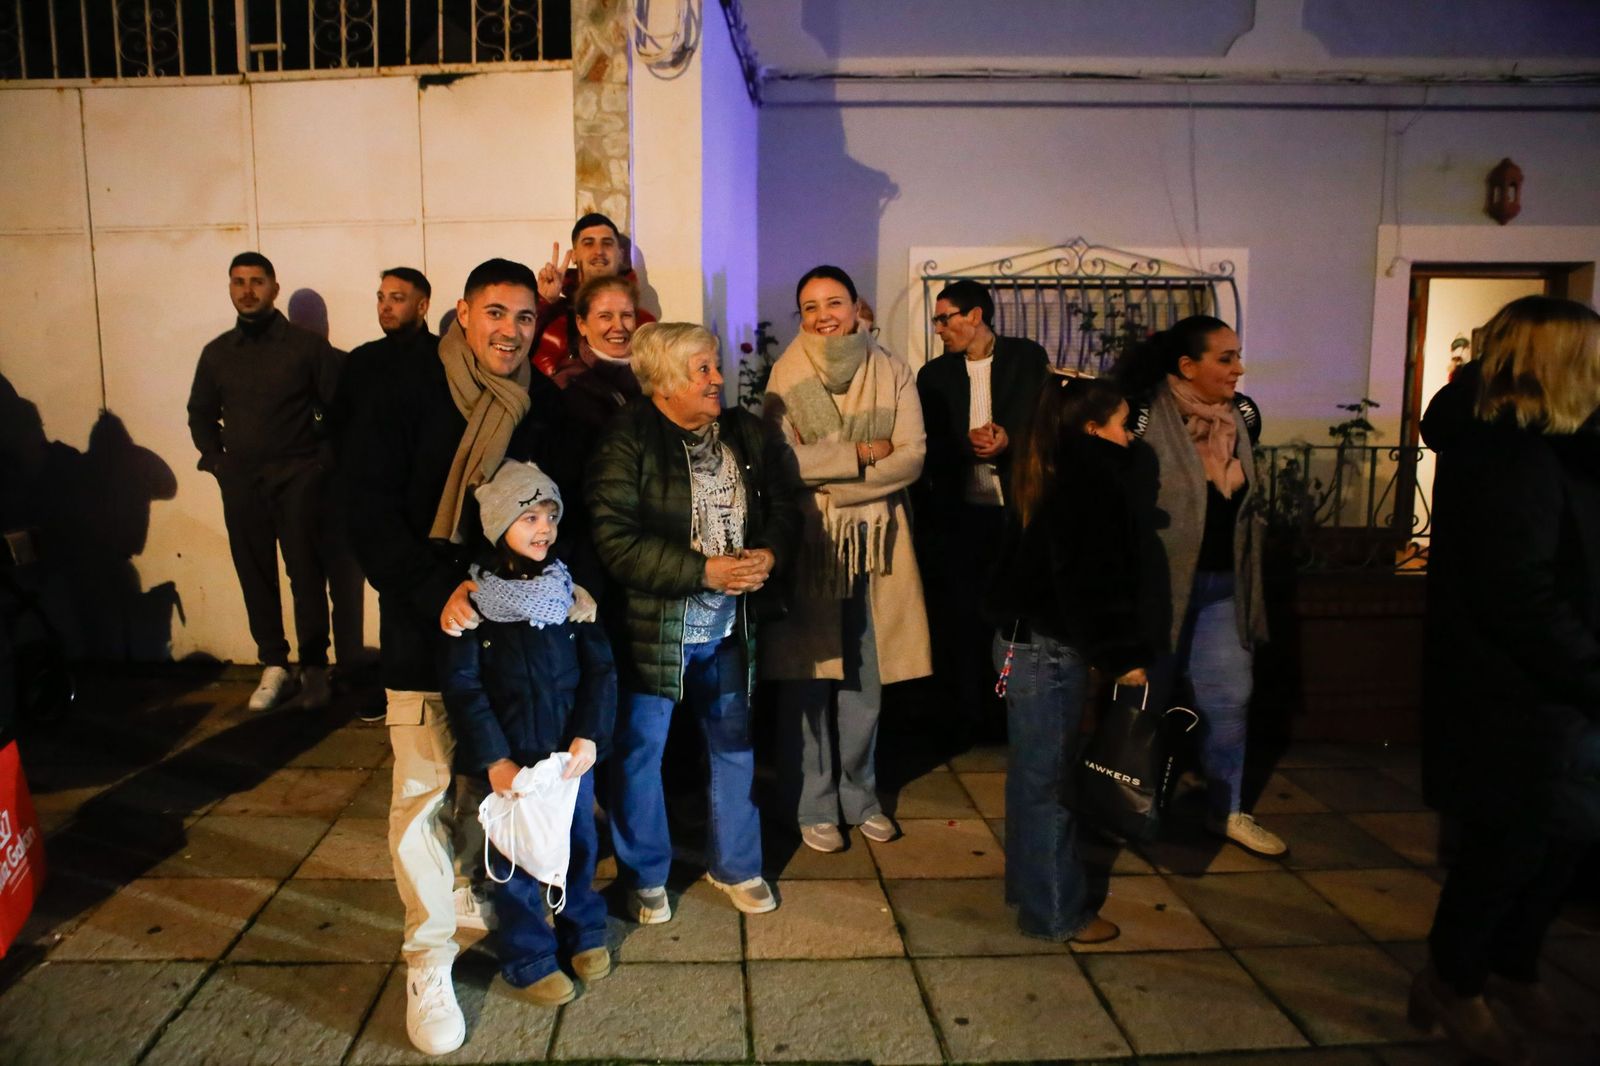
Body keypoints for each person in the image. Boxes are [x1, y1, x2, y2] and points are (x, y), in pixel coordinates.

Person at [343, 258, 589, 1056]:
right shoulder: (404, 386)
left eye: (524, 317)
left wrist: (561, 592)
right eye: (495, 313)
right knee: (419, 790)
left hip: (513, 638)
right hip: (426, 624)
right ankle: (428, 957)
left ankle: (483, 898)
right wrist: (431, 587)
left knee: (497, 784)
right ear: (461, 312)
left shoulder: (541, 404)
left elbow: (563, 511)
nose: (510, 331)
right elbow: (366, 507)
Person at [1411, 295, 1600, 1065]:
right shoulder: (1502, 453)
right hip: (1516, 694)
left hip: (1560, 689)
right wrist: (1591, 672)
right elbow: (1518, 595)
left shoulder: (1563, 445)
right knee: (1507, 850)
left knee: (1562, 844)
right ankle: (1455, 983)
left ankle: (1514, 970)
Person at [587, 322, 801, 921]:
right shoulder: (626, 439)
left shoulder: (742, 432)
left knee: (733, 745)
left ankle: (737, 862)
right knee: (639, 753)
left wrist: (770, 553)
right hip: (654, 628)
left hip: (730, 626)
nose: (716, 379)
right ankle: (645, 872)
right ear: (661, 381)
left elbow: (783, 505)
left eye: (714, 366)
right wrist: (700, 571)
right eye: (700, 369)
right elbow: (614, 537)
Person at [761, 266, 932, 854]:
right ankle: (811, 803)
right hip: (813, 546)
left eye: (834, 302)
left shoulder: (892, 370)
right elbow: (783, 464)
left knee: (866, 675)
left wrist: (830, 475)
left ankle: (860, 795)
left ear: (858, 308)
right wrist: (860, 454)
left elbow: (911, 458)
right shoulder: (785, 376)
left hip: (878, 547)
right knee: (809, 678)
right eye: (810, 306)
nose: (823, 315)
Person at [440, 460, 615, 1009]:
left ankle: (583, 928)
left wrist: (588, 735)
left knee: (578, 844)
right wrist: (494, 758)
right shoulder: (475, 606)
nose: (544, 528)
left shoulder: (569, 594)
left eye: (550, 516)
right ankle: (528, 955)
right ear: (498, 526)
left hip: (567, 758)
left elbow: (600, 671)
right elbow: (463, 688)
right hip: (510, 761)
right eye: (529, 517)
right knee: (512, 860)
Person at [1111, 315, 1285, 857]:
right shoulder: (1142, 414)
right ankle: (1124, 810)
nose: (1239, 368)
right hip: (1161, 589)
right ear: (1187, 366)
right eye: (1225, 358)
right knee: (1145, 703)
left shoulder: (1242, 417)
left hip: (1224, 587)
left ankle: (1226, 810)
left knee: (1230, 699)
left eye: (1237, 355)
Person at [985, 371, 1144, 944]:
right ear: (1094, 428)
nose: (1133, 437)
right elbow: (1088, 579)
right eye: (1127, 425)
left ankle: (1031, 890)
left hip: (1022, 642)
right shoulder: (1089, 479)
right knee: (1049, 784)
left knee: (1033, 778)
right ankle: (1056, 910)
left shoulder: (1044, 464)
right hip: (1048, 649)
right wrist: (1121, 654)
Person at [187, 251, 339, 711]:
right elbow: (200, 415)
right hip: (243, 482)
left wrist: (319, 467)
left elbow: (335, 411)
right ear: (230, 288)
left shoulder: (306, 348)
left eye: (257, 282)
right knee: (254, 572)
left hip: (297, 478)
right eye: (238, 282)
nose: (247, 290)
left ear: (274, 288)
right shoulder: (217, 354)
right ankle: (274, 664)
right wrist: (217, 463)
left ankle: (314, 667)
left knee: (306, 574)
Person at [917, 279, 1050, 745]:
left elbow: (1043, 422)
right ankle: (966, 719)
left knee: (1015, 618)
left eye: (944, 317)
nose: (938, 329)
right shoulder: (934, 376)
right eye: (936, 319)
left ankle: (1012, 718)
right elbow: (928, 445)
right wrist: (965, 446)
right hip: (962, 517)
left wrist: (1007, 440)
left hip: (1016, 514)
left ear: (975, 316)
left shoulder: (1025, 358)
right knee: (963, 618)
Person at [332, 267, 439, 720]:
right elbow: (340, 427)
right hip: (375, 501)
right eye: (381, 297)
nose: (385, 306)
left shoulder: (442, 358)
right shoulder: (362, 361)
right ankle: (394, 693)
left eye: (397, 297)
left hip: (431, 501)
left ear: (423, 305)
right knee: (391, 597)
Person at [531, 213, 656, 377]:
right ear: (574, 255)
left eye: (607, 243)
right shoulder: (551, 315)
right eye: (589, 244)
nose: (599, 251)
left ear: (620, 254)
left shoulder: (643, 324)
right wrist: (543, 302)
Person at [549, 274, 642, 432]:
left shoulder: (655, 374)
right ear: (582, 325)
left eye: (626, 315)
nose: (618, 326)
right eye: (605, 316)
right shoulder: (568, 385)